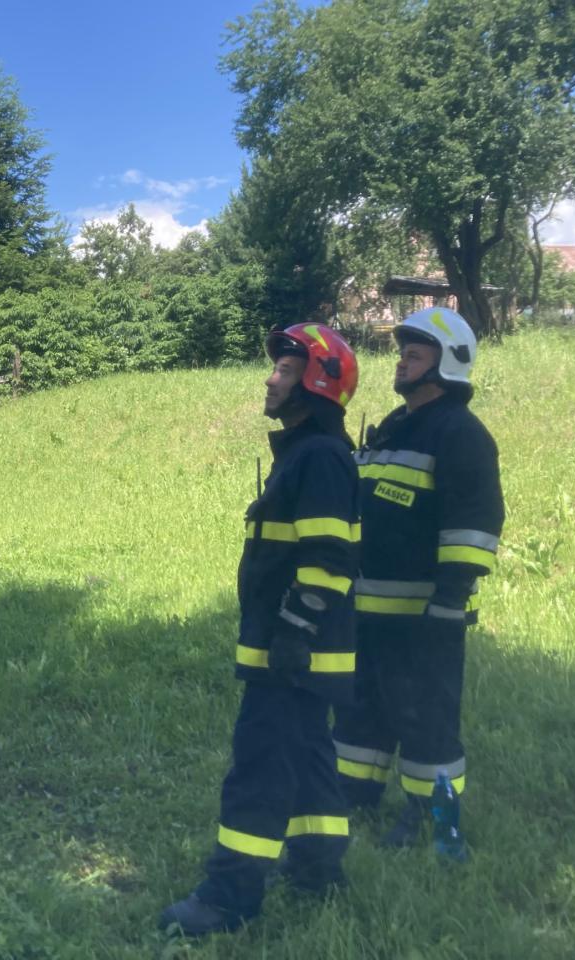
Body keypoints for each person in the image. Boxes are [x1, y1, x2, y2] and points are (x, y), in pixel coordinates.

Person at [161, 324, 360, 936]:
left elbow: (329, 556)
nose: (270, 379)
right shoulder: (309, 453)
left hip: (292, 652)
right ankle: (319, 870)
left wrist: (294, 632)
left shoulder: (319, 457)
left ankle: (228, 898)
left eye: (285, 370)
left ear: (317, 384)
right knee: (310, 756)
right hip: (302, 652)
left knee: (260, 767)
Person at [332, 306, 504, 846]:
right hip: (368, 612)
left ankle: (431, 817)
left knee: (425, 719)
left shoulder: (460, 434)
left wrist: (449, 600)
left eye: (413, 355)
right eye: (402, 354)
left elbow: (474, 522)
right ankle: (353, 794)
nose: (401, 363)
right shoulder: (393, 427)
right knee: (361, 711)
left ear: (447, 362)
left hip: (425, 617)